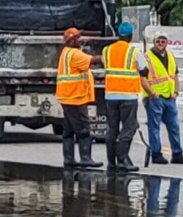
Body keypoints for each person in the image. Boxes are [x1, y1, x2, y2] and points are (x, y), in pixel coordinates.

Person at [56, 28, 104, 169]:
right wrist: (107, 55)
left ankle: (69, 159)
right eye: (78, 37)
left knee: (69, 131)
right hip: (75, 97)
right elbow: (93, 61)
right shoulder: (75, 54)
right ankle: (85, 158)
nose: (81, 39)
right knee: (83, 130)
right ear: (72, 40)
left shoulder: (65, 52)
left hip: (68, 96)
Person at [102, 22, 147, 172]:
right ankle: (122, 161)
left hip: (110, 96)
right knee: (128, 128)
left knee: (112, 129)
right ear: (130, 36)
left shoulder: (106, 50)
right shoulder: (134, 52)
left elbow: (106, 65)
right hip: (128, 95)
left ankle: (111, 162)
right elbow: (143, 69)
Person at [142, 32, 183, 165]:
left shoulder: (170, 56)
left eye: (163, 41)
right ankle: (156, 154)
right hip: (155, 98)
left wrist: (176, 92)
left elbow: (174, 75)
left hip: (169, 97)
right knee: (154, 127)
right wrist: (151, 93)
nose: (160, 43)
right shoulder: (147, 57)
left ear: (167, 42)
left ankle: (177, 154)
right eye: (158, 41)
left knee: (174, 126)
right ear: (154, 42)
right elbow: (142, 78)